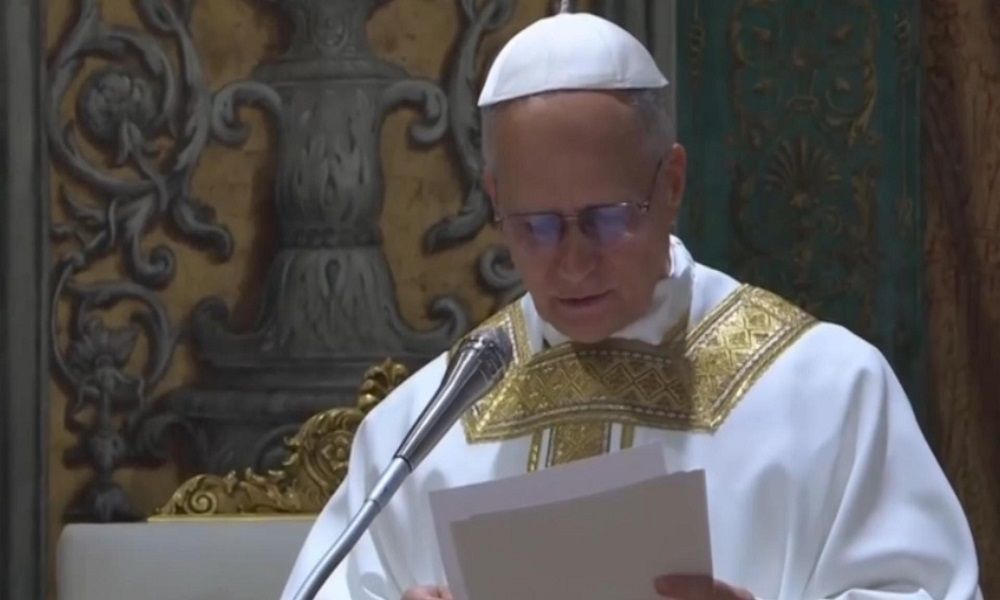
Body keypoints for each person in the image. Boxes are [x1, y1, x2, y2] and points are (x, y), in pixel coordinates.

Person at [281, 10, 982, 600]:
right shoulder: (420, 429)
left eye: (608, 218)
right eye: (536, 226)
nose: (573, 261)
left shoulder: (828, 391)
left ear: (671, 183)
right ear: (495, 200)